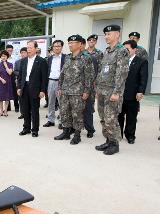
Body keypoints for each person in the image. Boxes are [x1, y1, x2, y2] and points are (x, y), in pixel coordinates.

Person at [95, 25, 129, 155]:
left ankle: (114, 144)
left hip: (112, 92)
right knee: (103, 117)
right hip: (102, 90)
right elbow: (101, 71)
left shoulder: (122, 51)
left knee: (111, 118)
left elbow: (122, 73)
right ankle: (108, 140)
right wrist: (98, 88)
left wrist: (116, 92)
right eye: (105, 34)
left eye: (109, 34)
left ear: (117, 35)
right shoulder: (106, 51)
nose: (106, 37)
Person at [54, 35, 95, 145]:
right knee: (64, 112)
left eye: (73, 42)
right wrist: (59, 87)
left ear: (80, 44)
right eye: (69, 43)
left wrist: (86, 91)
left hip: (78, 92)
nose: (70, 45)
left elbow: (89, 77)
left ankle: (77, 135)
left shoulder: (86, 58)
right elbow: (62, 74)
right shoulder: (67, 57)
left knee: (77, 114)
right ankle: (66, 132)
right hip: (65, 91)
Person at [118, 40, 148, 144]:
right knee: (119, 116)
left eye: (127, 49)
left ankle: (130, 135)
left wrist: (141, 91)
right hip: (119, 94)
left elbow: (143, 78)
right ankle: (119, 134)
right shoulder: (120, 61)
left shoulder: (141, 61)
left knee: (131, 117)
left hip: (132, 94)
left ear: (134, 49)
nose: (125, 52)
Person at [17, 40, 48, 137]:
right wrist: (19, 87)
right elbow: (20, 76)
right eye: (27, 47)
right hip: (24, 87)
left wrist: (43, 90)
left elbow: (44, 78)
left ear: (36, 49)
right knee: (25, 110)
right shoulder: (23, 61)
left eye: (30, 47)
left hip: (35, 88)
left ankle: (35, 130)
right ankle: (26, 128)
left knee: (34, 110)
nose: (28, 49)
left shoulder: (42, 61)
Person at [44, 40, 66, 128]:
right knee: (50, 102)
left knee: (62, 103)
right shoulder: (49, 58)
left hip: (61, 82)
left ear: (61, 47)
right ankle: (51, 120)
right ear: (52, 48)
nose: (57, 48)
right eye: (55, 46)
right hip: (51, 81)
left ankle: (62, 121)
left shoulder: (66, 58)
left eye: (58, 46)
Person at [0, 45, 18, 113]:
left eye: (11, 50)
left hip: (12, 75)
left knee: (14, 92)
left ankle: (16, 106)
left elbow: (15, 69)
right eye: (8, 50)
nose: (9, 52)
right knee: (6, 92)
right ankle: (8, 107)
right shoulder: (1, 58)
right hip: (4, 76)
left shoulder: (15, 58)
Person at [0, 50, 13, 116]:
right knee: (0, 97)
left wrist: (6, 66)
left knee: (7, 98)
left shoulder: (10, 64)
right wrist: (1, 79)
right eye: (2, 56)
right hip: (0, 82)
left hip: (8, 83)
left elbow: (10, 73)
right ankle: (1, 111)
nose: (3, 57)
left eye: (4, 56)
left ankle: (5, 111)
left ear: (7, 57)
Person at [14, 47, 28, 120]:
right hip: (20, 83)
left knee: (28, 99)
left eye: (24, 52)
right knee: (21, 99)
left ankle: (29, 113)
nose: (23, 54)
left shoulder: (30, 61)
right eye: (21, 52)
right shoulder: (17, 62)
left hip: (28, 82)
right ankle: (22, 113)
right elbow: (15, 71)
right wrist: (21, 73)